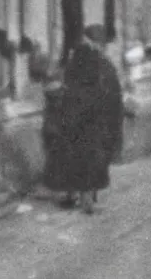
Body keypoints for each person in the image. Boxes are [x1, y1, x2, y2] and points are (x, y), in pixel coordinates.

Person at [42, 24, 124, 214]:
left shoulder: (85, 56)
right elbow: (88, 88)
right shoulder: (89, 57)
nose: (103, 44)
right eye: (101, 40)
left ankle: (76, 196)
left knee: (79, 158)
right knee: (87, 159)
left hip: (85, 116)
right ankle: (84, 199)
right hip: (87, 118)